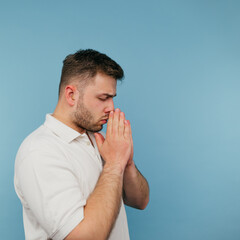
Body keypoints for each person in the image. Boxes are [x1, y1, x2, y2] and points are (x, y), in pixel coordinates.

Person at [14, 49, 149, 240]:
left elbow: (140, 201)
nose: (111, 108)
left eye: (112, 98)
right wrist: (114, 164)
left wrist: (126, 162)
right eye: (103, 98)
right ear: (71, 95)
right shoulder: (39, 152)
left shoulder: (97, 140)